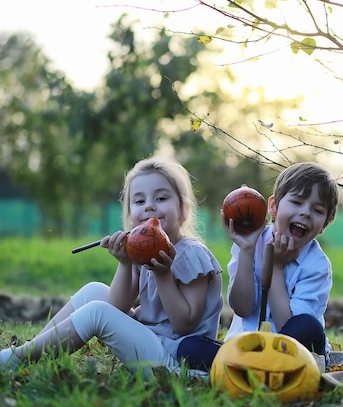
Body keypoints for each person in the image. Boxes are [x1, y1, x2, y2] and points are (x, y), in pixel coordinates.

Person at [0, 157, 223, 375]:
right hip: (152, 340)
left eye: (161, 198)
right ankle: (29, 352)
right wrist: (125, 264)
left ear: (183, 210)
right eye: (139, 201)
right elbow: (118, 305)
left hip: (175, 358)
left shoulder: (192, 254)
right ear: (130, 215)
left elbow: (185, 325)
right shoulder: (144, 252)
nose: (149, 207)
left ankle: (16, 358)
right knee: (94, 291)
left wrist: (162, 275)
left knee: (97, 312)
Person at [177, 162, 339, 372]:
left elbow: (287, 328)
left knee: (308, 326)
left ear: (324, 224)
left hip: (293, 351)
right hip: (246, 347)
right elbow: (242, 308)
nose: (306, 213)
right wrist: (246, 249)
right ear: (273, 206)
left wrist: (276, 268)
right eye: (297, 202)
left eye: (317, 210)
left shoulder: (317, 265)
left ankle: (248, 369)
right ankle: (256, 367)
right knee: (188, 347)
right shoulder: (251, 240)